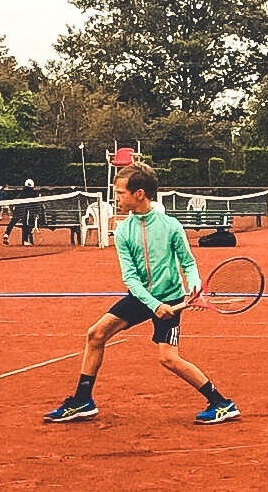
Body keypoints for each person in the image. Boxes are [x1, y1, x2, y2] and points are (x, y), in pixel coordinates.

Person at [43, 161, 238, 425]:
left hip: (170, 298)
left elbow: (188, 262)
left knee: (168, 358)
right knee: (96, 334)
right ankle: (83, 401)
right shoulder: (123, 229)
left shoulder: (170, 225)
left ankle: (221, 403)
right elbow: (130, 278)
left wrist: (195, 288)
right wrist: (153, 304)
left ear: (139, 194)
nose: (117, 198)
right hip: (142, 298)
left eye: (120, 193)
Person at [3, 179, 38, 246]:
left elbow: (17, 200)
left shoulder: (22, 192)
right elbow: (36, 203)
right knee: (25, 225)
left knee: (12, 222)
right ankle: (25, 241)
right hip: (25, 212)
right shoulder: (33, 193)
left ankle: (6, 234)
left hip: (18, 210)